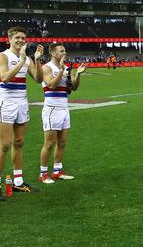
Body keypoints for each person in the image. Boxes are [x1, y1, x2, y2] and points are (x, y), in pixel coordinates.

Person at [0, 27, 44, 197]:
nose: (20, 40)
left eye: (23, 38)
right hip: (6, 103)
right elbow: (4, 77)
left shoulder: (27, 59)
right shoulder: (3, 56)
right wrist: (21, 60)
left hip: (22, 103)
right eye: (17, 37)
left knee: (19, 142)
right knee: (4, 145)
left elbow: (38, 79)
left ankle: (17, 182)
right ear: (9, 39)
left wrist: (37, 60)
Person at [38, 43, 86, 184]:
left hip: (64, 107)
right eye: (61, 51)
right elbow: (51, 85)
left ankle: (57, 171)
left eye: (65, 51)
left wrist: (78, 74)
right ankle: (43, 173)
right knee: (49, 143)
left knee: (62, 142)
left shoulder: (67, 68)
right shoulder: (46, 68)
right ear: (53, 53)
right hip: (52, 108)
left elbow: (73, 88)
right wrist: (60, 71)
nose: (64, 53)